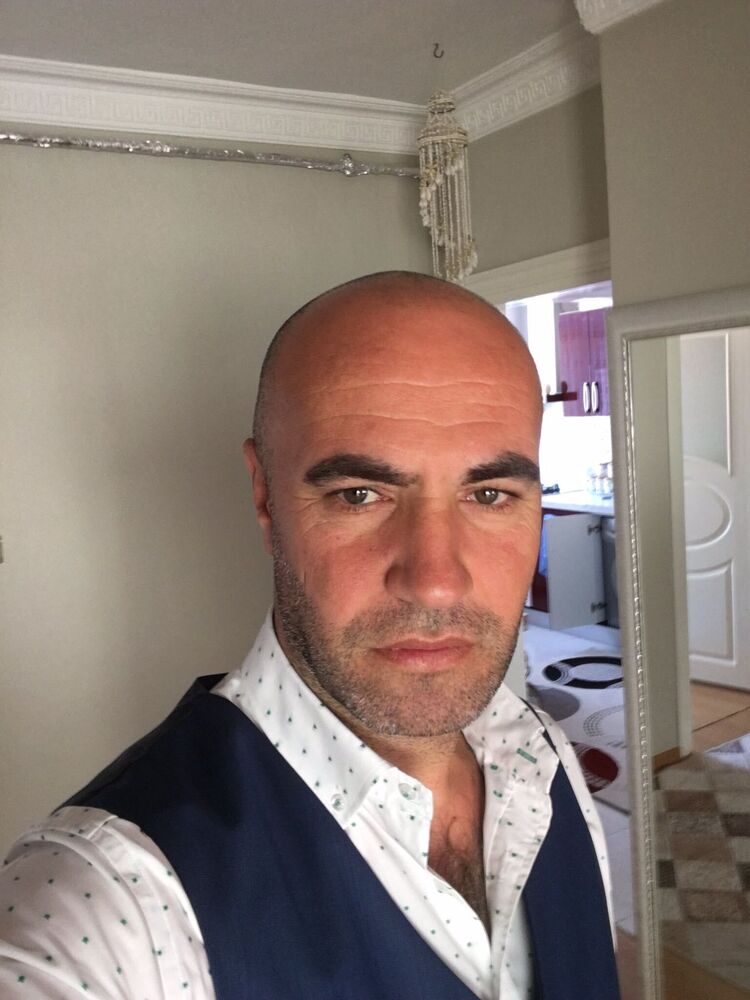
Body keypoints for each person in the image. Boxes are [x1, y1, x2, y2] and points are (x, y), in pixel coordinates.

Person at [0, 272, 620, 1000]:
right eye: (360, 495)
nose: (435, 581)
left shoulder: (544, 761)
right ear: (265, 497)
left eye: (489, 495)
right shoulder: (109, 899)